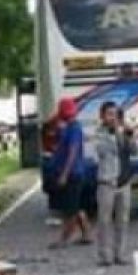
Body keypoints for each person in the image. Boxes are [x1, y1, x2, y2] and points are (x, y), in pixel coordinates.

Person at [94, 101, 138, 265]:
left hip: (124, 181)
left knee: (123, 220)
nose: (112, 118)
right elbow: (103, 151)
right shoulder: (100, 134)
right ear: (103, 116)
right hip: (107, 182)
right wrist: (116, 134)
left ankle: (120, 253)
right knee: (104, 220)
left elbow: (135, 151)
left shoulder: (123, 134)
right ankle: (104, 255)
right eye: (109, 114)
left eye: (115, 114)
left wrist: (129, 135)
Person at [49, 96, 92, 248]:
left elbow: (73, 152)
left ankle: (64, 239)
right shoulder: (68, 127)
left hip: (72, 174)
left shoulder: (74, 128)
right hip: (73, 173)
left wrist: (64, 174)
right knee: (76, 205)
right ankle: (86, 234)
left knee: (70, 210)